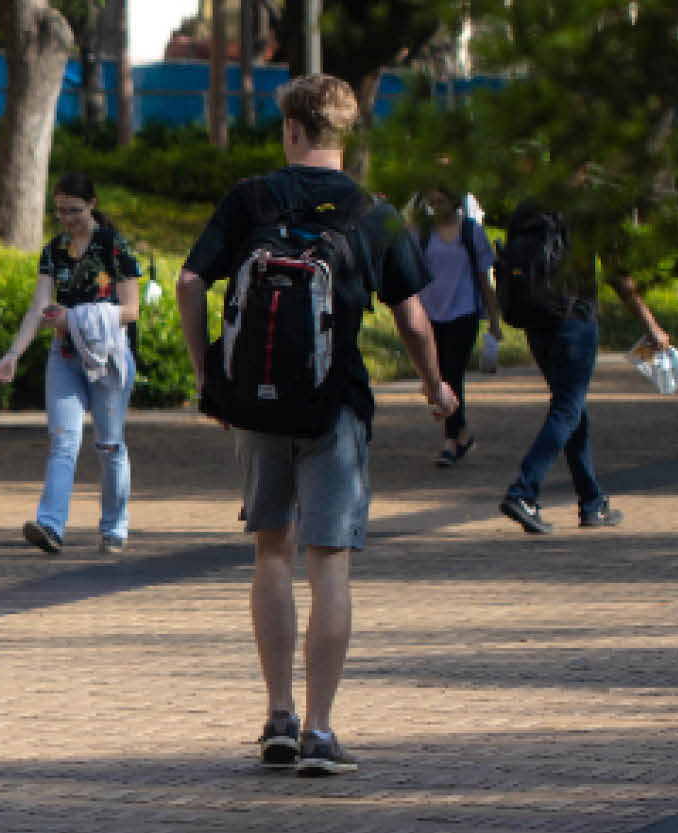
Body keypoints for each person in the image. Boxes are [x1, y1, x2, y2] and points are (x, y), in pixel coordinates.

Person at [171, 74, 454, 778]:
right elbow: (414, 318)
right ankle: (320, 731)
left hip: (258, 405)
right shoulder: (372, 214)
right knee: (329, 563)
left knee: (271, 551)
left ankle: (276, 716)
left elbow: (186, 281)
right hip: (336, 407)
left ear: (290, 129)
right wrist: (434, 386)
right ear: (343, 133)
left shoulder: (250, 198)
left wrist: (210, 374)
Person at [493, 169, 669, 536]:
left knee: (571, 409)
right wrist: (650, 326)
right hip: (576, 320)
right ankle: (523, 492)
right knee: (568, 408)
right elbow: (619, 275)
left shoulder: (528, 208)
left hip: (536, 322)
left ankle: (592, 502)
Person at [0, 172, 143, 554]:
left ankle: (114, 527)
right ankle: (51, 525)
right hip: (64, 355)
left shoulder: (113, 246)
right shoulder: (54, 249)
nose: (67, 219)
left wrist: (77, 318)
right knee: (63, 441)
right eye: (60, 211)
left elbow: (131, 310)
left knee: (109, 444)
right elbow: (40, 306)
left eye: (74, 210)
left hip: (106, 355)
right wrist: (13, 354)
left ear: (91, 204)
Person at [409, 184, 497, 467]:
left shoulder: (472, 232)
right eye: (431, 198)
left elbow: (485, 280)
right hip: (429, 314)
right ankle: (462, 433)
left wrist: (494, 322)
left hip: (464, 312)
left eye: (441, 197)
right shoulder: (421, 234)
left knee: (450, 374)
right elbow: (410, 273)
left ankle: (450, 442)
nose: (436, 203)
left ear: (454, 199)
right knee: (437, 376)